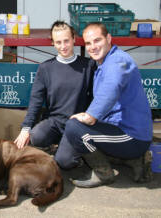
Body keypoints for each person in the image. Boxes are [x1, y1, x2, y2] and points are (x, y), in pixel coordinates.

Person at [58, 22, 153, 188]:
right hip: (120, 130)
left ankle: (104, 174)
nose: (93, 47)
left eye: (97, 40)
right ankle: (134, 160)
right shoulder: (103, 63)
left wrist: (90, 115)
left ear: (109, 39)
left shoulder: (117, 61)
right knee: (76, 144)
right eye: (88, 43)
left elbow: (112, 86)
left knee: (75, 128)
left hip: (132, 135)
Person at [14, 21, 96, 169]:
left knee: (65, 162)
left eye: (66, 41)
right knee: (35, 138)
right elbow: (36, 100)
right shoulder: (45, 68)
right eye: (58, 42)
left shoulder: (88, 65)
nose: (63, 46)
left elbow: (97, 97)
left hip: (77, 124)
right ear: (52, 43)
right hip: (55, 121)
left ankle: (75, 151)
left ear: (74, 40)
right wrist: (26, 128)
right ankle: (60, 143)